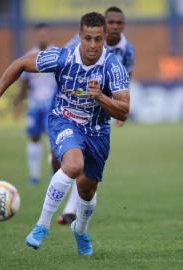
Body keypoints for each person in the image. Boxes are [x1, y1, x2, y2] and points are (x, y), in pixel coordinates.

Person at [0, 12, 130, 256]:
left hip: (98, 132)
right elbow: (20, 64)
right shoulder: (63, 57)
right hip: (64, 120)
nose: (93, 45)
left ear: (104, 39)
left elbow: (124, 112)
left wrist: (101, 97)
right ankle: (42, 225)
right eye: (88, 38)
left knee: (87, 190)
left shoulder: (113, 67)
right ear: (79, 36)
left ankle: (80, 230)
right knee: (72, 165)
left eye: (98, 39)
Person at [58, 6, 135, 225]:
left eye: (119, 23)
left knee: (83, 169)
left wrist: (119, 108)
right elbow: (63, 67)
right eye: (111, 22)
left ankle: (71, 211)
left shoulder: (127, 51)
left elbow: (126, 79)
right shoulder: (79, 42)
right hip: (71, 106)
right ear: (104, 24)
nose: (114, 27)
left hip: (99, 111)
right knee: (64, 161)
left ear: (123, 26)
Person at [14, 23, 57, 185]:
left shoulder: (57, 54)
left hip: (52, 104)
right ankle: (34, 176)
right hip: (34, 104)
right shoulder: (30, 56)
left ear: (49, 35)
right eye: (40, 34)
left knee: (54, 141)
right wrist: (18, 101)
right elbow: (24, 82)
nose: (42, 37)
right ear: (36, 36)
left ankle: (55, 174)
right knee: (33, 137)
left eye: (45, 34)